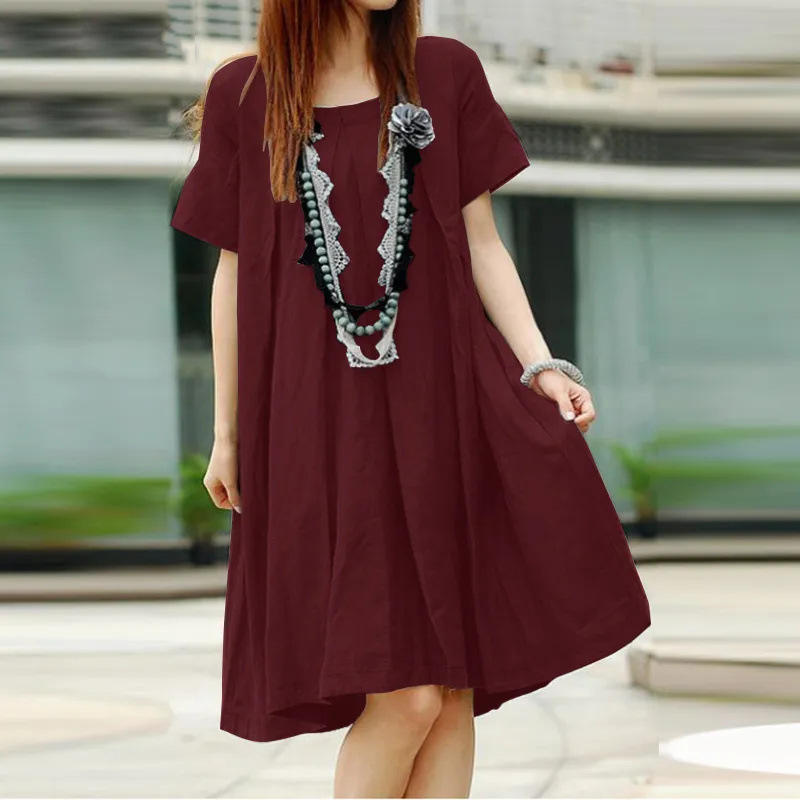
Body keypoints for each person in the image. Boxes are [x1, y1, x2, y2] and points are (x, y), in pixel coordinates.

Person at [170, 1, 651, 796]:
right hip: (316, 420)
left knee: (450, 684)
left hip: (443, 406)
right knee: (408, 694)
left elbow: (482, 242)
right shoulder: (245, 95)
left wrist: (541, 364)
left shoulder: (445, 73)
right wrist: (227, 432)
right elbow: (234, 270)